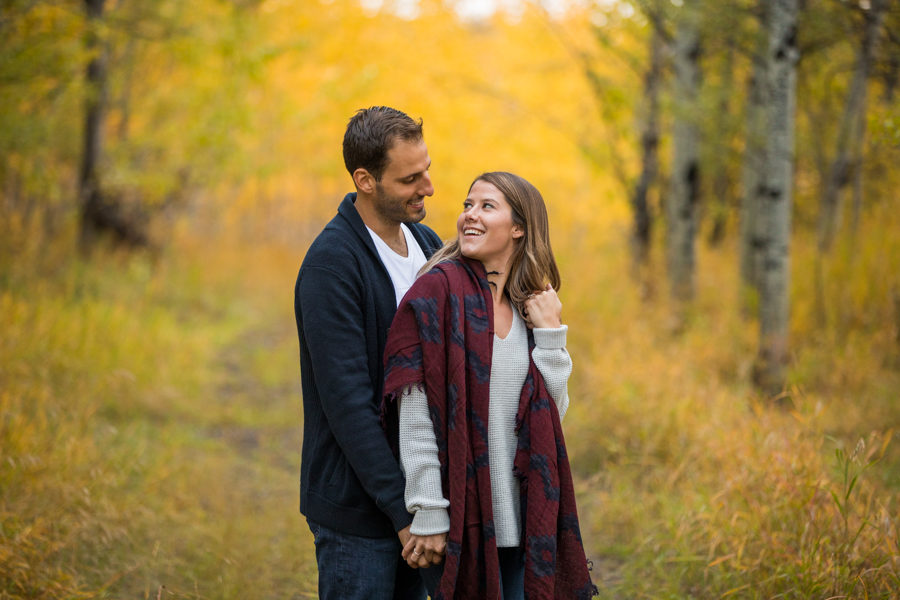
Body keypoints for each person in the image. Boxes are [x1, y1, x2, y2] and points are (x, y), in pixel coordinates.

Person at [383, 172, 597, 599]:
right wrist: (428, 510)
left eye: (486, 206)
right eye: (467, 205)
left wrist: (552, 332)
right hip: (458, 519)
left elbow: (550, 420)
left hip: (526, 518)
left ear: (519, 227)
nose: (469, 216)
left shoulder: (529, 304)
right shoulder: (435, 295)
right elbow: (416, 414)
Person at [294, 106, 443, 600]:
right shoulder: (332, 265)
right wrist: (403, 517)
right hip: (359, 513)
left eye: (427, 169)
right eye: (410, 178)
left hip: (424, 504)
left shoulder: (427, 244)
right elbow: (349, 406)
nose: (428, 187)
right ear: (366, 180)